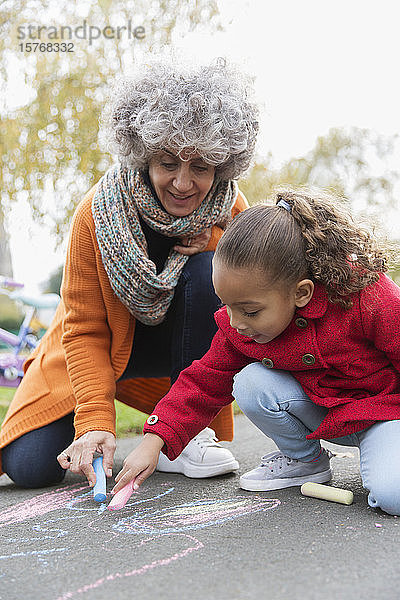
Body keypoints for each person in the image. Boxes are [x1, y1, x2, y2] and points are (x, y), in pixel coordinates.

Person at [0, 58, 259, 488]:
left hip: (178, 352)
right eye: (167, 162)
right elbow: (82, 328)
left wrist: (214, 244)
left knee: (207, 270)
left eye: (200, 166)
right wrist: (95, 421)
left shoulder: (230, 212)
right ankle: (90, 427)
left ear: (221, 165)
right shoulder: (97, 214)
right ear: (143, 155)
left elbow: (250, 300)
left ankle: (188, 435)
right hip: (98, 347)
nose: (182, 182)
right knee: (30, 467)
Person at [112, 187, 400, 516]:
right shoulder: (240, 327)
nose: (235, 323)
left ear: (301, 293)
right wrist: (153, 441)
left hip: (384, 415)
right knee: (251, 382)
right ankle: (304, 461)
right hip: (323, 414)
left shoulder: (363, 294)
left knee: (393, 498)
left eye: (249, 311)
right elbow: (202, 382)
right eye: (227, 305)